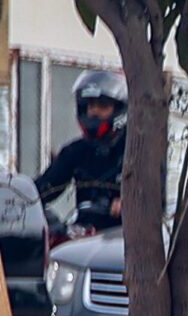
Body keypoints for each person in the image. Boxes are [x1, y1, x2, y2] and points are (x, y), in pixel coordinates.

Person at [34, 69, 128, 230]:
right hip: (85, 238)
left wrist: (127, 202)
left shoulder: (134, 151)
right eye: (90, 105)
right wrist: (17, 196)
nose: (93, 112)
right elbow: (45, 188)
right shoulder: (76, 151)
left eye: (102, 105)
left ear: (119, 109)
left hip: (124, 240)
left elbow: (156, 198)